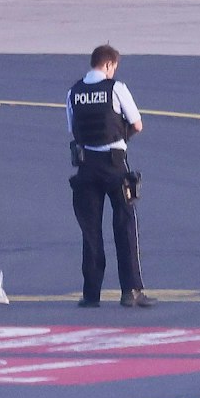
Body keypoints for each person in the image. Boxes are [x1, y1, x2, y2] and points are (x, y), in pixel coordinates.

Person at [67, 44, 154, 308]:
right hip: (115, 164)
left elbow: (73, 129)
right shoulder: (116, 88)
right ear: (108, 65)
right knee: (125, 227)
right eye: (114, 67)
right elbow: (137, 123)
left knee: (90, 231)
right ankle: (131, 290)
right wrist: (121, 135)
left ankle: (91, 293)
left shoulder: (74, 92)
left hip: (86, 166)